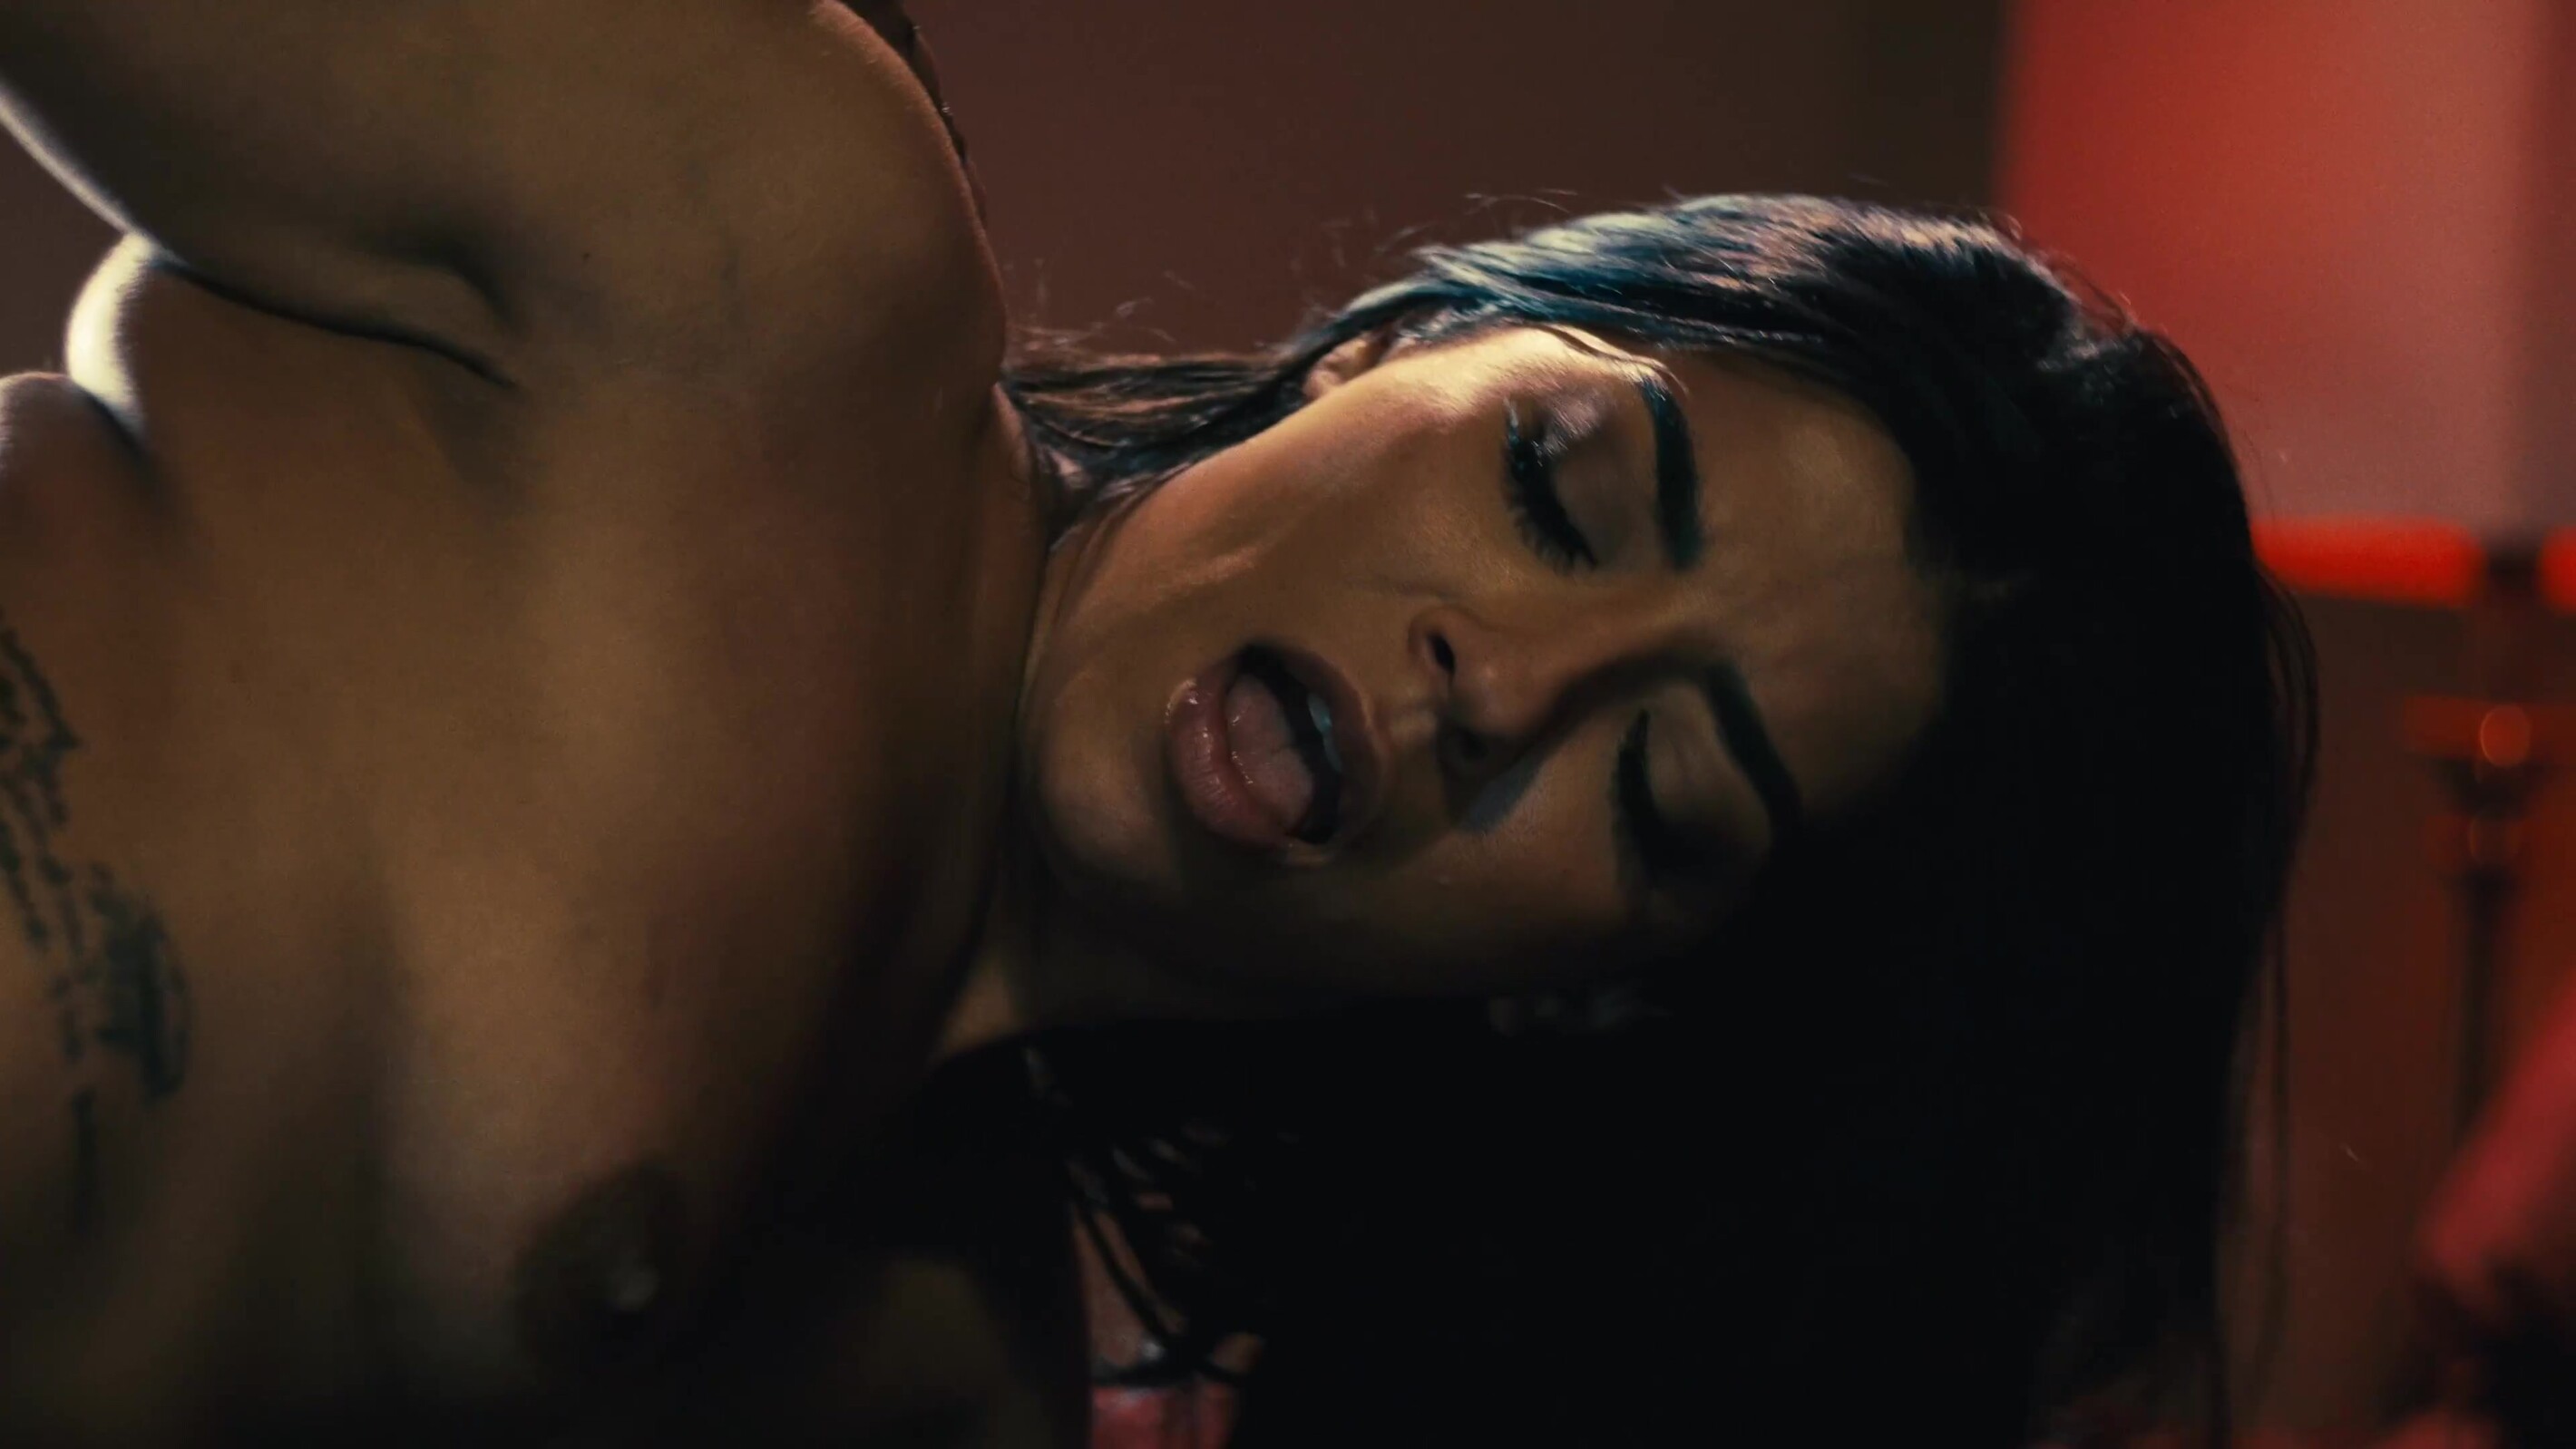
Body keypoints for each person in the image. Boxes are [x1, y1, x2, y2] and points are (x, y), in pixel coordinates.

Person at [0, 3, 2311, 1444]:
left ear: (1588, 985)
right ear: (1394, 349)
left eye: (1658, 790)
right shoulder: (771, 257)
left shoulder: (934, 1371)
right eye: (1554, 488)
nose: (1499, 681)